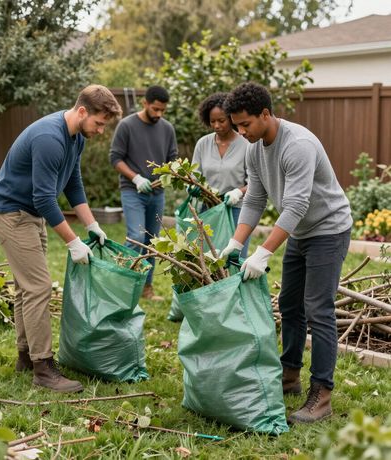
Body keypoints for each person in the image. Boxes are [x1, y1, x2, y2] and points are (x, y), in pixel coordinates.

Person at [220, 82, 352, 423]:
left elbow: (296, 205)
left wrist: (263, 252)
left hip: (328, 229)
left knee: (318, 308)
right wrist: (236, 243)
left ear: (266, 114)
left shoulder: (299, 145)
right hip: (301, 232)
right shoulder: (254, 149)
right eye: (236, 125)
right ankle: (289, 374)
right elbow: (254, 199)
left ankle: (321, 394)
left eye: (246, 124)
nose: (241, 131)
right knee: (291, 305)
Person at [0, 85, 122, 393]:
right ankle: (43, 368)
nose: (101, 130)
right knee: (38, 288)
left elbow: (73, 184)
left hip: (28, 212)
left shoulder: (75, 137)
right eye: (99, 123)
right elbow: (46, 198)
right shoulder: (50, 138)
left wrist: (91, 225)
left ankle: (25, 356)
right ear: (83, 111)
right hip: (11, 212)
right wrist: (73, 242)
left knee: (26, 287)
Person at [109, 85, 178, 300]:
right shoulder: (127, 126)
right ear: (145, 103)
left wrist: (169, 173)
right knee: (136, 237)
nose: (159, 114)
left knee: (152, 241)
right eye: (155, 109)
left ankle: (146, 289)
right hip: (133, 191)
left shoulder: (167, 129)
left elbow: (173, 159)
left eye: (162, 111)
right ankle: (122, 286)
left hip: (156, 194)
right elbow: (115, 158)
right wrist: (136, 178)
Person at [192, 92, 251, 258]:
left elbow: (256, 181)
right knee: (209, 258)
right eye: (212, 121)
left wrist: (239, 192)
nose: (217, 125)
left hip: (236, 210)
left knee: (234, 257)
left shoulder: (247, 144)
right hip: (209, 210)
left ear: (232, 118)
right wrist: (193, 187)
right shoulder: (203, 144)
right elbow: (195, 175)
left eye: (221, 120)